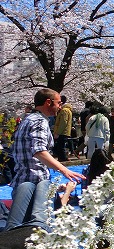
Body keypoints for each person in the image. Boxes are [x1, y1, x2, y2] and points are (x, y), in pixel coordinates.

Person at [5, 89, 85, 230]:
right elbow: (39, 151)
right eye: (59, 103)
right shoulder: (39, 121)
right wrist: (64, 170)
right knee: (39, 227)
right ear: (48, 102)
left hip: (22, 180)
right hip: (34, 182)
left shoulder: (27, 119)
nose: (60, 107)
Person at [53, 95, 73, 161]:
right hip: (65, 131)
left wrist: (58, 132)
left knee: (61, 146)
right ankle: (63, 158)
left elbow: (63, 122)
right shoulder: (67, 110)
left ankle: (63, 158)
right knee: (61, 146)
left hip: (62, 131)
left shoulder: (64, 110)